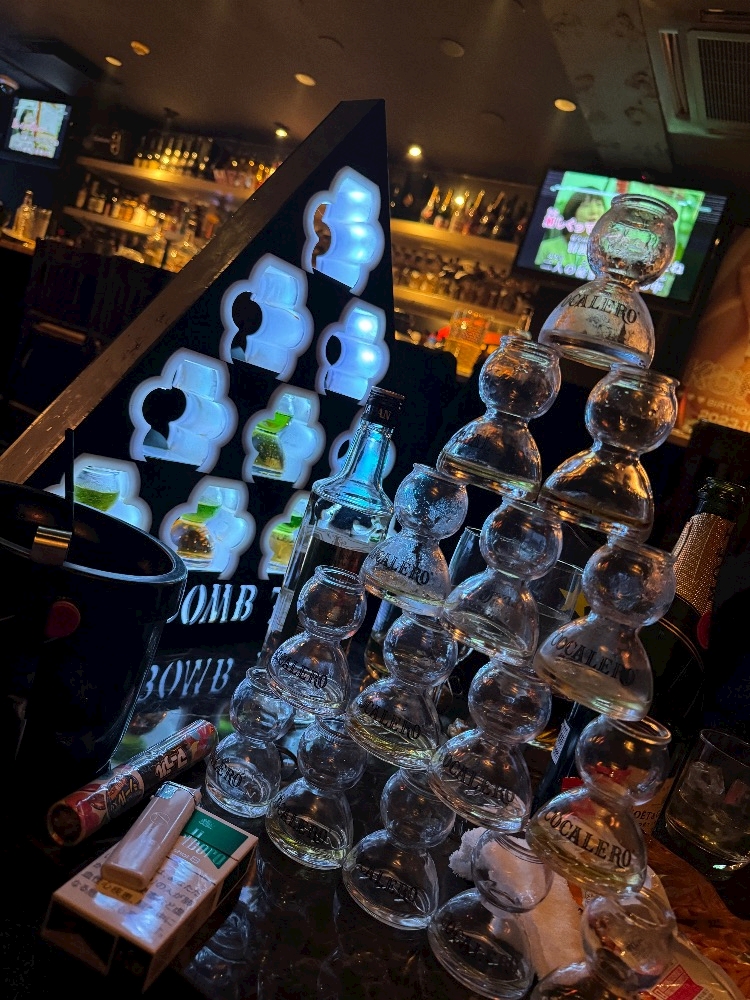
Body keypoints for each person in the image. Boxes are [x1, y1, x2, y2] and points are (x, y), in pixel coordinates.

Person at [534, 190, 607, 278]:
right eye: (586, 205)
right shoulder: (546, 247)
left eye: (599, 204)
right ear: (573, 211)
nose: (594, 211)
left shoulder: (606, 254)